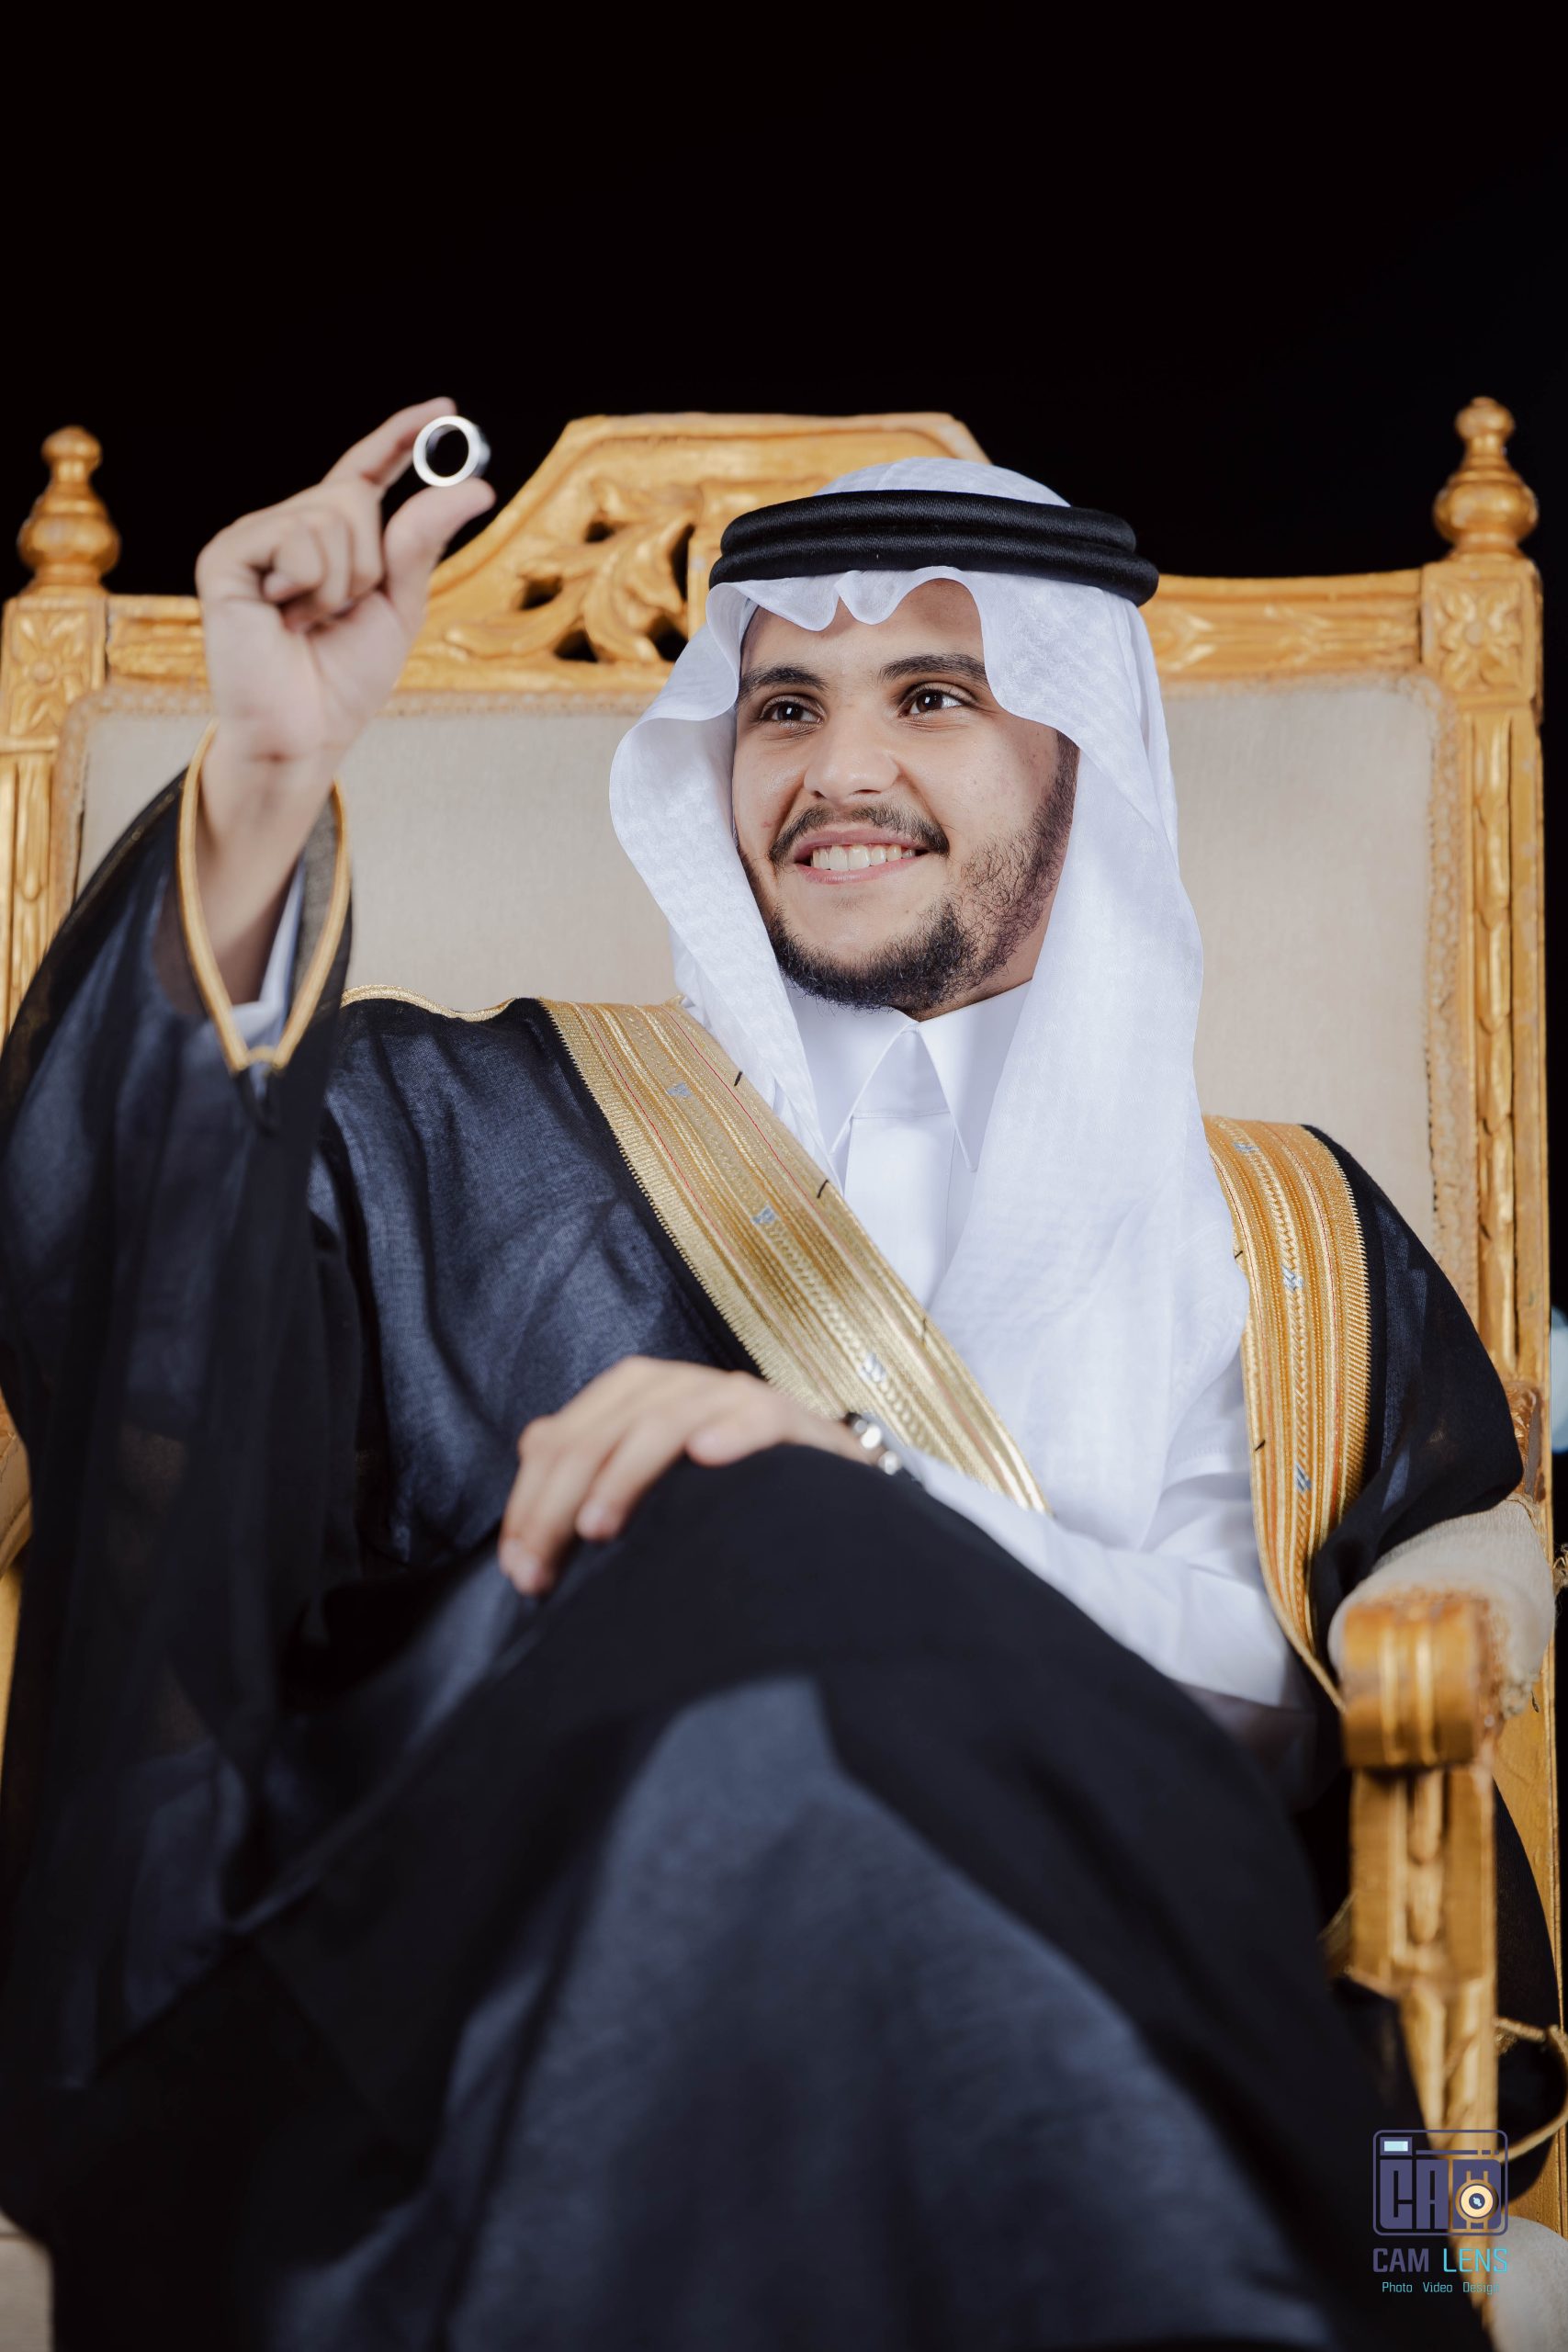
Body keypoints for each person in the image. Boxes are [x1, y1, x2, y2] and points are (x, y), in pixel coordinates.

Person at [0, 399, 1554, 2348]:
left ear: (1081, 748)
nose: (841, 770)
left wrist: (851, 1485)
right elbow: (122, 1281)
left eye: (932, 697)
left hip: (1102, 1955)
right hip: (549, 1975)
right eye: (784, 706)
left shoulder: (1277, 1234)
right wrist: (261, 780)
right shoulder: (455, 1129)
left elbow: (1289, 1705)